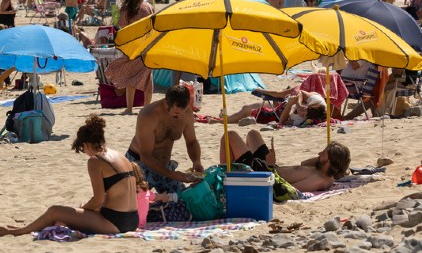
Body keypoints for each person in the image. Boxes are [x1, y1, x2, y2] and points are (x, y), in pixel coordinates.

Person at [0, 114, 138, 236]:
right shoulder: (120, 156)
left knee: (54, 211)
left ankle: (19, 231)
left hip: (116, 223)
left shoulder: (96, 160)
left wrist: (86, 208)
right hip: (133, 219)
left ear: (86, 145)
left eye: (82, 149)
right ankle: (27, 227)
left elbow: (98, 199)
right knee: (70, 212)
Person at [126, 85, 203, 194]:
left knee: (183, 199)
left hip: (164, 166)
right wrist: (173, 175)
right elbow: (145, 156)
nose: (180, 116)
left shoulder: (186, 113)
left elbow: (192, 142)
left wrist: (196, 161)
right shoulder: (149, 115)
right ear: (166, 103)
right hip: (139, 164)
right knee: (135, 205)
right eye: (176, 113)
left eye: (183, 111)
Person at [221, 130, 351, 192]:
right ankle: (239, 165)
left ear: (329, 161)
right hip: (269, 167)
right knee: (253, 134)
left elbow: (288, 190)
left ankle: (223, 177)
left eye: (323, 154)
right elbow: (304, 164)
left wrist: (270, 166)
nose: (319, 154)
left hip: (263, 174)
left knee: (229, 135)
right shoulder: (321, 170)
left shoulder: (319, 180)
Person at [104, 0, 154, 113]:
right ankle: (147, 108)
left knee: (130, 78)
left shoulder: (124, 9)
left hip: (130, 47)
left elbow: (118, 25)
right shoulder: (147, 7)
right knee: (148, 78)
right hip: (145, 46)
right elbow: (153, 24)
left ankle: (129, 108)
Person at [222, 89, 327, 126]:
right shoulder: (317, 101)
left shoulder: (303, 120)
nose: (303, 112)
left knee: (246, 110)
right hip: (282, 105)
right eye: (305, 109)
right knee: (246, 107)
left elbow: (282, 121)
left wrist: (290, 104)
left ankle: (221, 121)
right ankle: (225, 118)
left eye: (305, 114)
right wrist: (299, 105)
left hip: (280, 110)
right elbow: (300, 92)